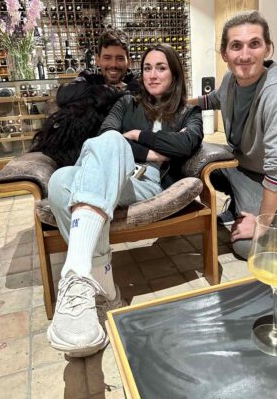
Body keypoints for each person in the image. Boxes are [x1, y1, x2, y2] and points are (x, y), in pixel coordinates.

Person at [47, 43, 203, 357]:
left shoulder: (189, 110)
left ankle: (80, 276)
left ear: (174, 73)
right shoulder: (126, 102)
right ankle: (98, 284)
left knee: (109, 147)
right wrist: (150, 148)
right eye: (147, 67)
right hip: (115, 171)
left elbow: (186, 144)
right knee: (60, 179)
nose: (153, 74)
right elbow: (104, 137)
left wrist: (138, 137)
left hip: (147, 183)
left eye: (161, 67)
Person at [189, 10, 277, 259]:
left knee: (247, 248)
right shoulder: (230, 79)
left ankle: (271, 210)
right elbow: (214, 99)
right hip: (238, 163)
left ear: (268, 49)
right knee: (188, 155)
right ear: (225, 54)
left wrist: (263, 223)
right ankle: (240, 206)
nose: (245, 55)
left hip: (263, 176)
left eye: (255, 44)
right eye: (236, 46)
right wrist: (180, 103)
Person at [30, 28, 139, 166]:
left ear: (128, 61)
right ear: (98, 59)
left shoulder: (136, 81)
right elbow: (64, 95)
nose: (113, 64)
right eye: (107, 58)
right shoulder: (89, 77)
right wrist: (110, 92)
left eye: (119, 58)